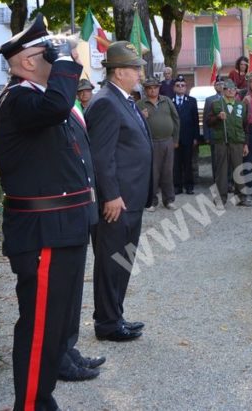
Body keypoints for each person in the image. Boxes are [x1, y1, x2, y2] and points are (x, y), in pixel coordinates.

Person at [0, 14, 102, 409]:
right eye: (47, 51)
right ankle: (33, 405)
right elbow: (57, 104)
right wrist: (69, 60)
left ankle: (41, 398)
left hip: (59, 227)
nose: (58, 56)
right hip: (42, 232)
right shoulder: (19, 98)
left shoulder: (34, 99)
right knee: (39, 327)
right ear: (26, 62)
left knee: (53, 323)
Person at [85, 41, 153, 343]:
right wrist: (110, 195)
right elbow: (101, 156)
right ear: (120, 72)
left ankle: (115, 316)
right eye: (135, 68)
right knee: (111, 260)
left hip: (131, 197)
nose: (140, 73)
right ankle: (107, 323)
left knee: (122, 260)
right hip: (117, 201)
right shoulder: (105, 102)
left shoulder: (123, 99)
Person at [208, 80, 251, 207]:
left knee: (238, 170)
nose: (231, 91)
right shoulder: (216, 105)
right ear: (223, 90)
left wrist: (245, 144)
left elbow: (245, 126)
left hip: (237, 142)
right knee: (221, 171)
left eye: (233, 89)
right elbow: (208, 122)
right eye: (228, 89)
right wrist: (217, 118)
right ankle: (219, 199)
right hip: (222, 142)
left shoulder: (241, 105)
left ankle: (241, 198)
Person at [138, 76, 180, 210]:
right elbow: (134, 124)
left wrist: (175, 139)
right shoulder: (139, 104)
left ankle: (169, 200)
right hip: (150, 142)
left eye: (155, 88)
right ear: (145, 90)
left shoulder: (166, 101)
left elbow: (176, 119)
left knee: (168, 171)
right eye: (149, 88)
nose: (152, 90)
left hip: (168, 141)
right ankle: (152, 201)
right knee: (153, 173)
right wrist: (141, 117)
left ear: (159, 88)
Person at [171, 75, 199, 194]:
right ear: (174, 88)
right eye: (178, 85)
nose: (180, 87)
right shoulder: (169, 101)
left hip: (188, 137)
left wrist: (196, 137)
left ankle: (189, 186)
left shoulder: (192, 101)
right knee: (176, 163)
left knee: (188, 163)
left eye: (183, 85)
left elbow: (195, 120)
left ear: (186, 87)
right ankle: (177, 186)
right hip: (175, 138)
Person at [200, 76, 225, 195]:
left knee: (227, 159)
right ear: (214, 86)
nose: (220, 86)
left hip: (228, 134)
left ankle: (228, 181)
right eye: (218, 84)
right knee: (216, 159)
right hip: (215, 134)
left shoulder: (230, 97)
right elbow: (206, 119)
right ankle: (216, 181)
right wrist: (206, 136)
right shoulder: (210, 100)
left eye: (222, 84)